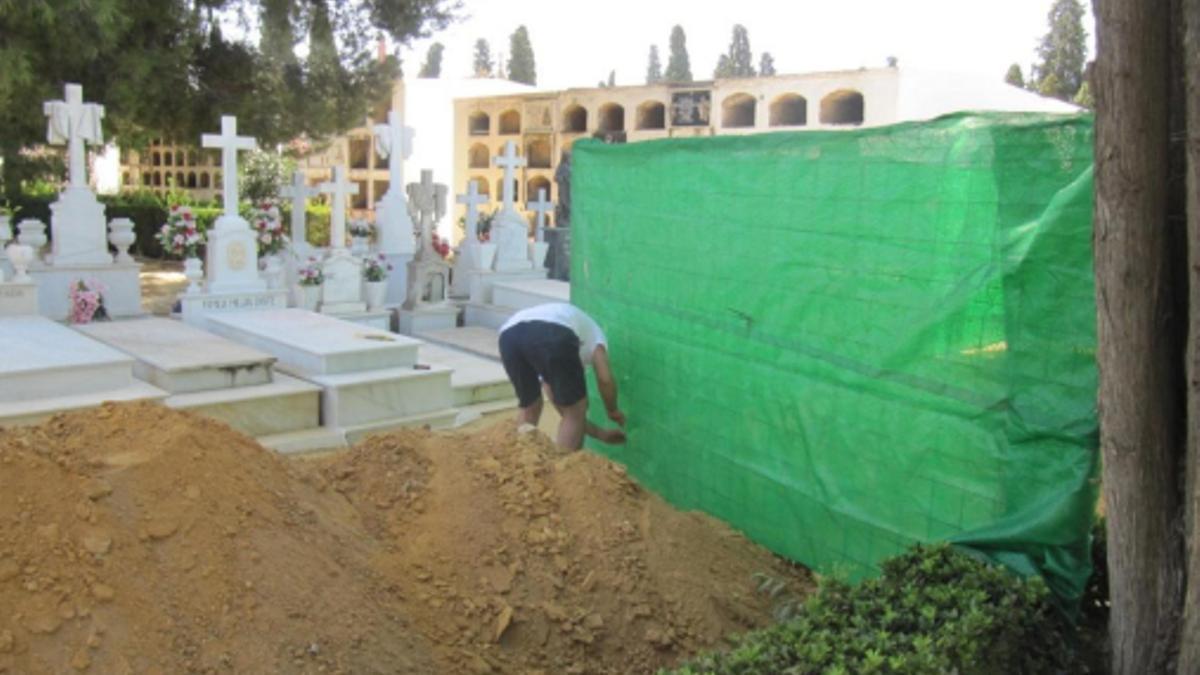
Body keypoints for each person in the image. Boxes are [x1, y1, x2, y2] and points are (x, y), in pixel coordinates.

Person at [497, 303, 626, 449]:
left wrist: (600, 434)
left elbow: (563, 409)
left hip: (508, 335)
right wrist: (612, 410)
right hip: (553, 331)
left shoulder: (572, 340)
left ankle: (519, 462)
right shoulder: (597, 338)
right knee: (576, 409)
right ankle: (563, 468)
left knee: (530, 404)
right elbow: (605, 378)